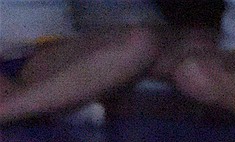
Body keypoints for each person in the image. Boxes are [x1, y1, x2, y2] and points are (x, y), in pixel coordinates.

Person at [0, 0, 160, 124]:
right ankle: (52, 105)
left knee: (141, 41)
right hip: (13, 60)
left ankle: (22, 107)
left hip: (47, 54)